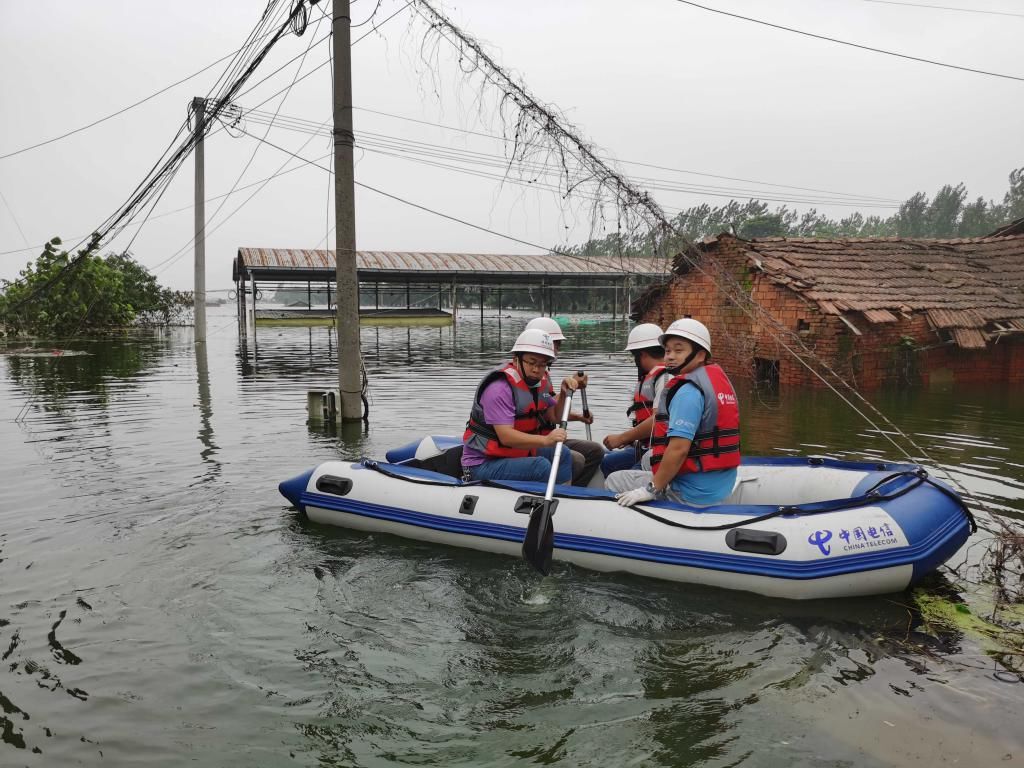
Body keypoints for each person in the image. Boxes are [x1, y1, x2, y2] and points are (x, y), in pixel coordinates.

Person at [606, 318, 740, 507]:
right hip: (719, 487)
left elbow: (678, 449)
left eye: (678, 350)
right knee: (647, 459)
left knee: (614, 479)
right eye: (667, 350)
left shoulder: (687, 392)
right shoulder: (716, 384)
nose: (669, 356)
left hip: (692, 492)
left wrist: (651, 489)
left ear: (700, 355)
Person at [461, 328, 581, 484]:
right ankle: (545, 502)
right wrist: (545, 440)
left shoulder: (540, 382)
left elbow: (555, 416)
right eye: (531, 362)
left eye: (542, 364)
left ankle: (564, 497)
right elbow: (506, 437)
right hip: (481, 464)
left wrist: (564, 394)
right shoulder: (499, 389)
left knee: (562, 453)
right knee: (540, 466)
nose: (536, 369)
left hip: (513, 454)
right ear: (516, 359)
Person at [524, 316, 604, 485]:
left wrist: (579, 416)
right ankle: (561, 490)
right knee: (575, 458)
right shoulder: (526, 376)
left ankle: (575, 490)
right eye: (555, 344)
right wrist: (567, 390)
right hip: (531, 440)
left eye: (558, 345)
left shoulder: (543, 376)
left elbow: (550, 410)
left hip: (548, 436)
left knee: (595, 450)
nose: (557, 350)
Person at [600, 323, 669, 477]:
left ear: (642, 355)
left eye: (634, 356)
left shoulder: (665, 377)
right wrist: (631, 439)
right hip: (644, 445)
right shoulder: (652, 377)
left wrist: (623, 437)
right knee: (608, 463)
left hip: (658, 450)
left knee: (620, 478)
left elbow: (659, 419)